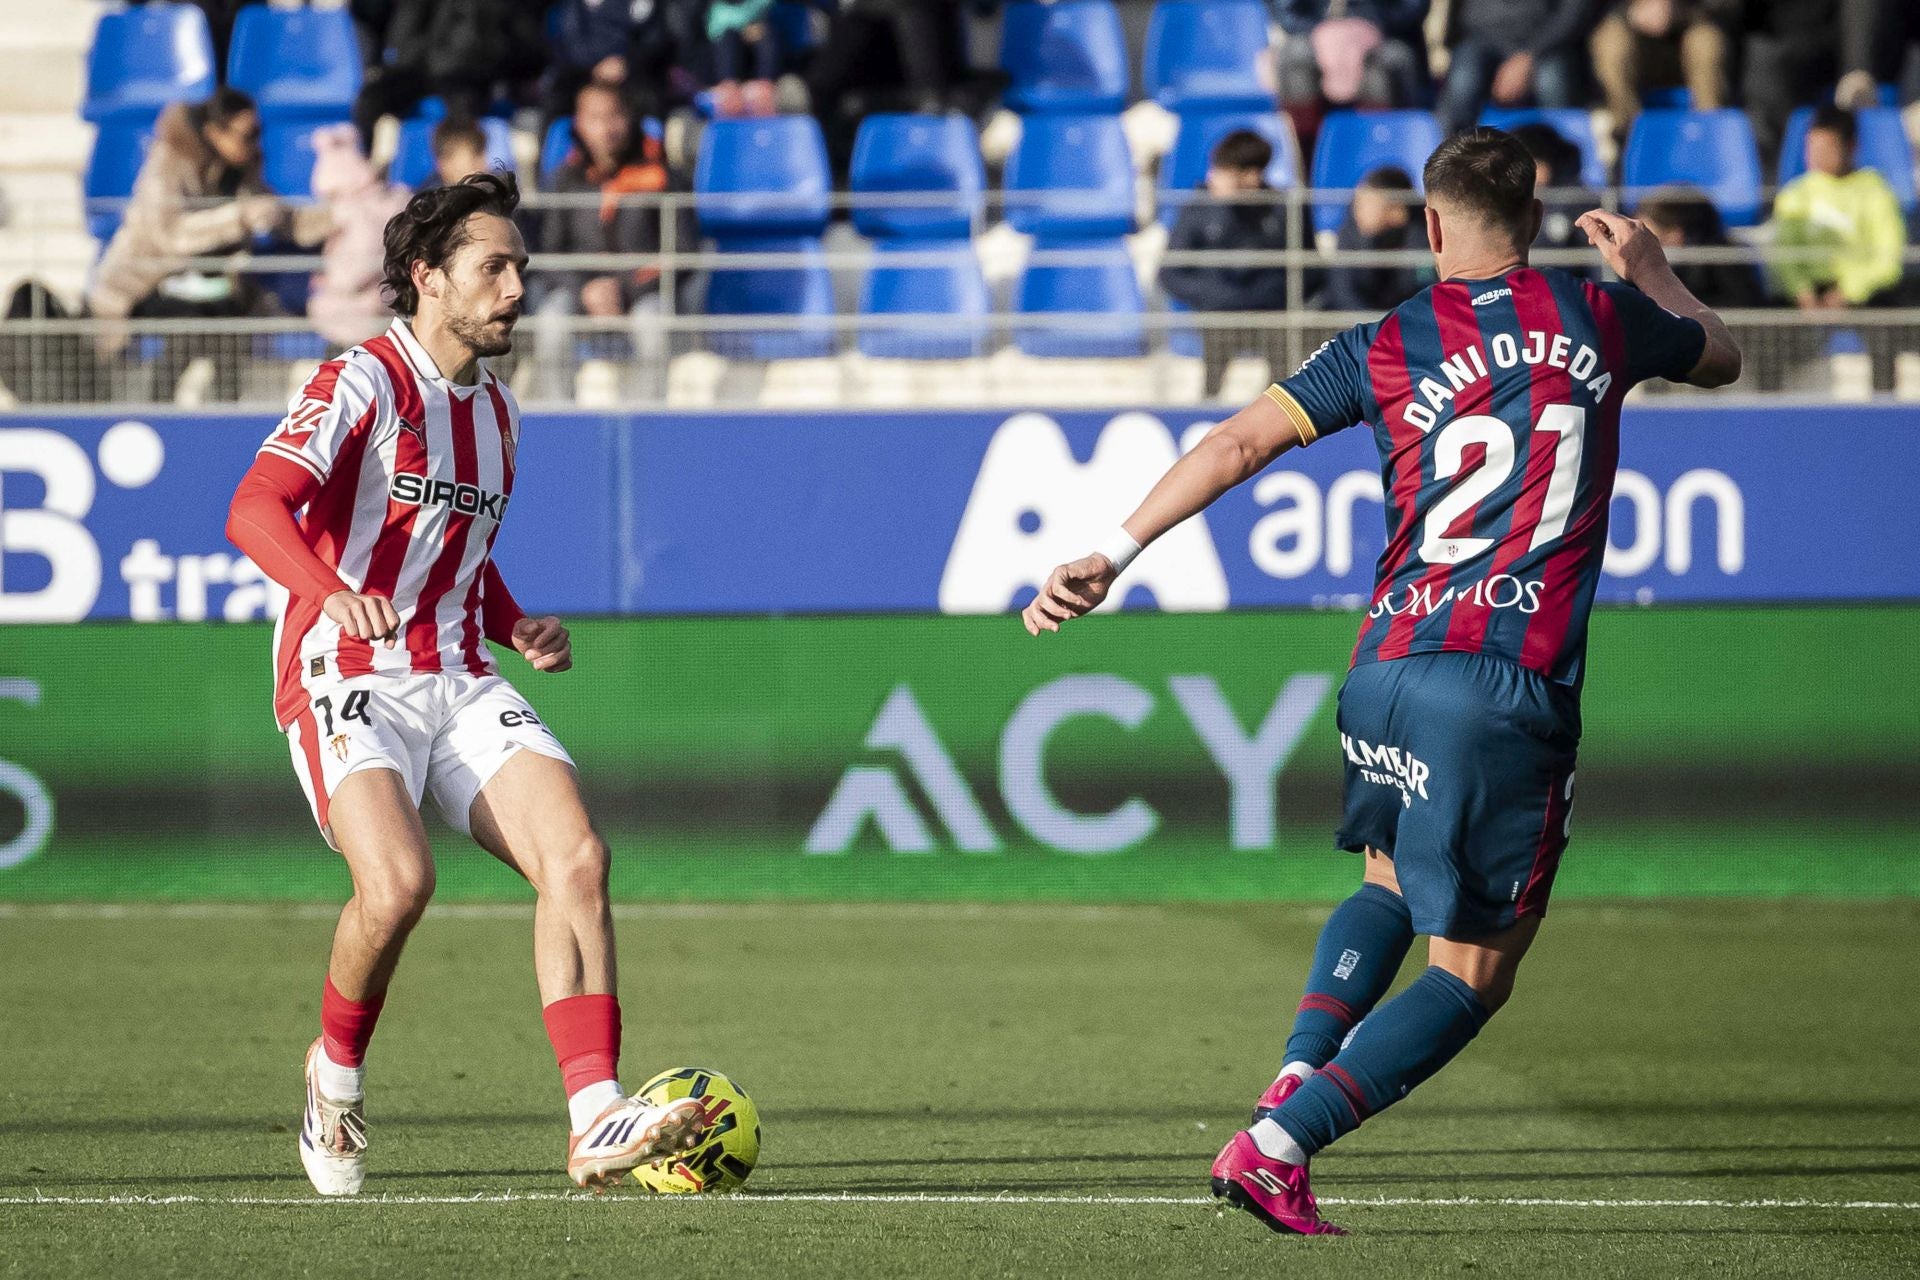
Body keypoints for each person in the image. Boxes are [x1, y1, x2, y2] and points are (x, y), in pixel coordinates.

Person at [1020, 127, 1741, 1235]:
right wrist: (1646, 268)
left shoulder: (1388, 340)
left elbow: (1235, 445)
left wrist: (1110, 554)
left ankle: (1289, 1077)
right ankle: (1280, 1141)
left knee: (1392, 881)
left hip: (1386, 666)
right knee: (1475, 972)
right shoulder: (1602, 319)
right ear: (1538, 222)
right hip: (1508, 681)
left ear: (1433, 223)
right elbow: (1723, 354)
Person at [223, 172, 710, 1197]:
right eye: (494, 265)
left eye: (521, 267)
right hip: (346, 670)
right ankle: (335, 1077)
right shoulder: (363, 380)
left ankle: (592, 1115)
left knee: (577, 855)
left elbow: (454, 554)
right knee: (397, 885)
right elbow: (255, 507)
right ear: (426, 277)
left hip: (457, 669)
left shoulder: (500, 416)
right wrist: (328, 591)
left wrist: (512, 618)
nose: (516, 285)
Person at [86, 87, 330, 401]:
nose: (255, 143)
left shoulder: (242, 171)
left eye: (259, 132)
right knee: (191, 325)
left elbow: (285, 220)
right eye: (248, 134)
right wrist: (237, 218)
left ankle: (226, 412)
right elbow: (169, 235)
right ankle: (160, 411)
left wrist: (341, 216)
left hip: (213, 289)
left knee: (231, 326)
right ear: (214, 131)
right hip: (146, 285)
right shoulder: (169, 163)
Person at [527, 82, 689, 401]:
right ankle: (562, 422)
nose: (606, 128)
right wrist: (586, 291)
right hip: (579, 293)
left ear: (630, 119)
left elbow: (683, 251)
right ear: (579, 123)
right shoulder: (563, 180)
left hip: (644, 294)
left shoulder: (662, 175)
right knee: (550, 322)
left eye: (615, 116)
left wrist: (624, 290)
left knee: (653, 327)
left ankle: (647, 424)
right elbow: (547, 254)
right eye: (595, 118)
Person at [1765, 105, 1909, 389]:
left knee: (1885, 329)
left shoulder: (1875, 191)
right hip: (1808, 296)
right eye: (1811, 147)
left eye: (1826, 147)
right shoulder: (1795, 194)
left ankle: (1882, 405)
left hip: (1862, 297)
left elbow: (1889, 259)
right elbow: (1784, 255)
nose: (1816, 155)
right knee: (1768, 334)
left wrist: (1847, 292)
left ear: (1851, 146)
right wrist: (1802, 292)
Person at [1159, 130, 1293, 397]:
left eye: (1225, 171)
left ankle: (1275, 416)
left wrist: (1260, 296)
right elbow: (1169, 274)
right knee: (1217, 341)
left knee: (1290, 350)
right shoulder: (1198, 209)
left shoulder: (1282, 210)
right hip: (1219, 316)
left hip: (1270, 315)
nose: (1213, 177)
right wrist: (1217, 296)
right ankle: (1208, 407)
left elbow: (1305, 271)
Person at [1436, 0, 1599, 135]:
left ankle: (1563, 164)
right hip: (1482, 40)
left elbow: (1575, 13)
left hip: (1550, 44)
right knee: (1463, 83)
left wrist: (1529, 55)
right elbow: (1465, 16)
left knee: (1553, 83)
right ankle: (1453, 164)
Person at [1589, 0, 1736, 142]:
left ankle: (1710, 131)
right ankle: (1627, 133)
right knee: (1611, 43)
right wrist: (1629, 12)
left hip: (1691, 28)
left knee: (1706, 41)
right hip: (1632, 36)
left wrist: (1681, 11)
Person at [1274, 0, 1431, 126]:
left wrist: (1367, 27)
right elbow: (1287, 12)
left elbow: (1413, 7)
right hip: (1316, 33)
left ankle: (1378, 142)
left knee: (1385, 65)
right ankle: (1306, 153)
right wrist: (1324, 32)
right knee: (1295, 55)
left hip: (1384, 34)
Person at [1315, 167, 1431, 313]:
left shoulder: (1423, 232)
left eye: (1367, 204)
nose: (1357, 211)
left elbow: (1424, 288)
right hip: (1361, 326)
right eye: (1358, 203)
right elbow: (1343, 291)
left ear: (1397, 211)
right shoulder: (1350, 231)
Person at [1636, 186, 1766, 309]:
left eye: (1649, 237)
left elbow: (1744, 307)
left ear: (1676, 235)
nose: (1640, 245)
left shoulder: (1727, 261)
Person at [425, 118, 493, 190]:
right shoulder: (427, 198)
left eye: (481, 153)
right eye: (475, 156)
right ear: (445, 162)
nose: (484, 165)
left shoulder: (497, 193)